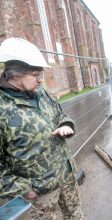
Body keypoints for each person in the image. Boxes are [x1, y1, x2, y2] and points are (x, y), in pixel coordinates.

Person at [0, 38, 84, 219]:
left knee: (76, 215)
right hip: (39, 194)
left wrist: (66, 124)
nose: (41, 80)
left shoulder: (40, 92)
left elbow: (60, 114)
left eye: (41, 75)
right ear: (14, 75)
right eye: (36, 75)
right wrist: (25, 189)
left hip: (66, 175)